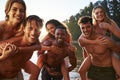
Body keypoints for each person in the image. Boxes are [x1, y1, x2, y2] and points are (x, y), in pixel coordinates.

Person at [78, 6, 120, 80]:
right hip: (96, 47)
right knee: (82, 69)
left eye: (101, 12)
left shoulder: (110, 22)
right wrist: (95, 42)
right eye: (97, 13)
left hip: (109, 48)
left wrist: (109, 27)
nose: (99, 14)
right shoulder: (93, 24)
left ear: (104, 13)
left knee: (117, 68)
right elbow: (82, 38)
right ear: (93, 15)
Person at [0, 15, 43, 80]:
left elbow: (39, 47)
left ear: (39, 33)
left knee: (36, 70)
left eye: (36, 30)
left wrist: (19, 50)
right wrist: (3, 57)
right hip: (3, 76)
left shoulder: (35, 43)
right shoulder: (11, 44)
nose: (33, 33)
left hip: (17, 75)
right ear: (24, 29)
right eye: (30, 28)